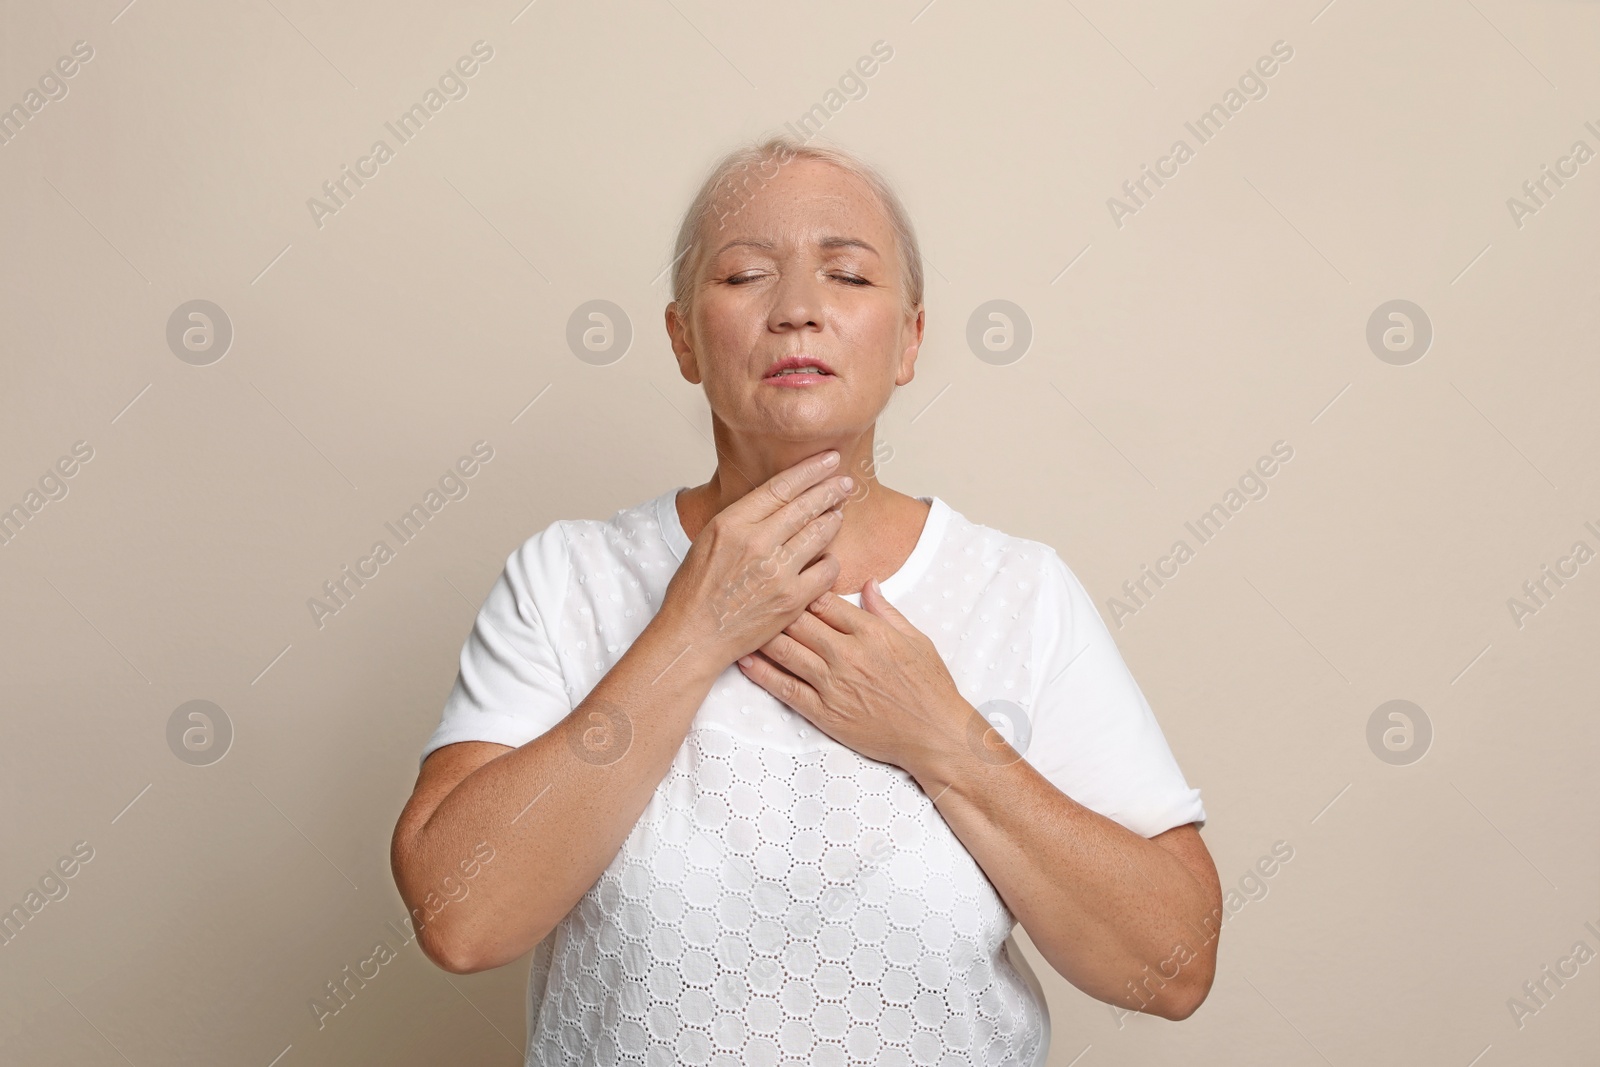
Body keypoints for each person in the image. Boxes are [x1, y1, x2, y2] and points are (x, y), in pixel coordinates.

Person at [390, 134, 1223, 1066]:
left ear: (909, 340)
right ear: (683, 339)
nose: (796, 311)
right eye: (746, 275)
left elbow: (1173, 967)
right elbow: (458, 918)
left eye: (848, 277)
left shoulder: (1020, 594)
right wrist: (689, 635)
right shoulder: (566, 578)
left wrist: (946, 740)